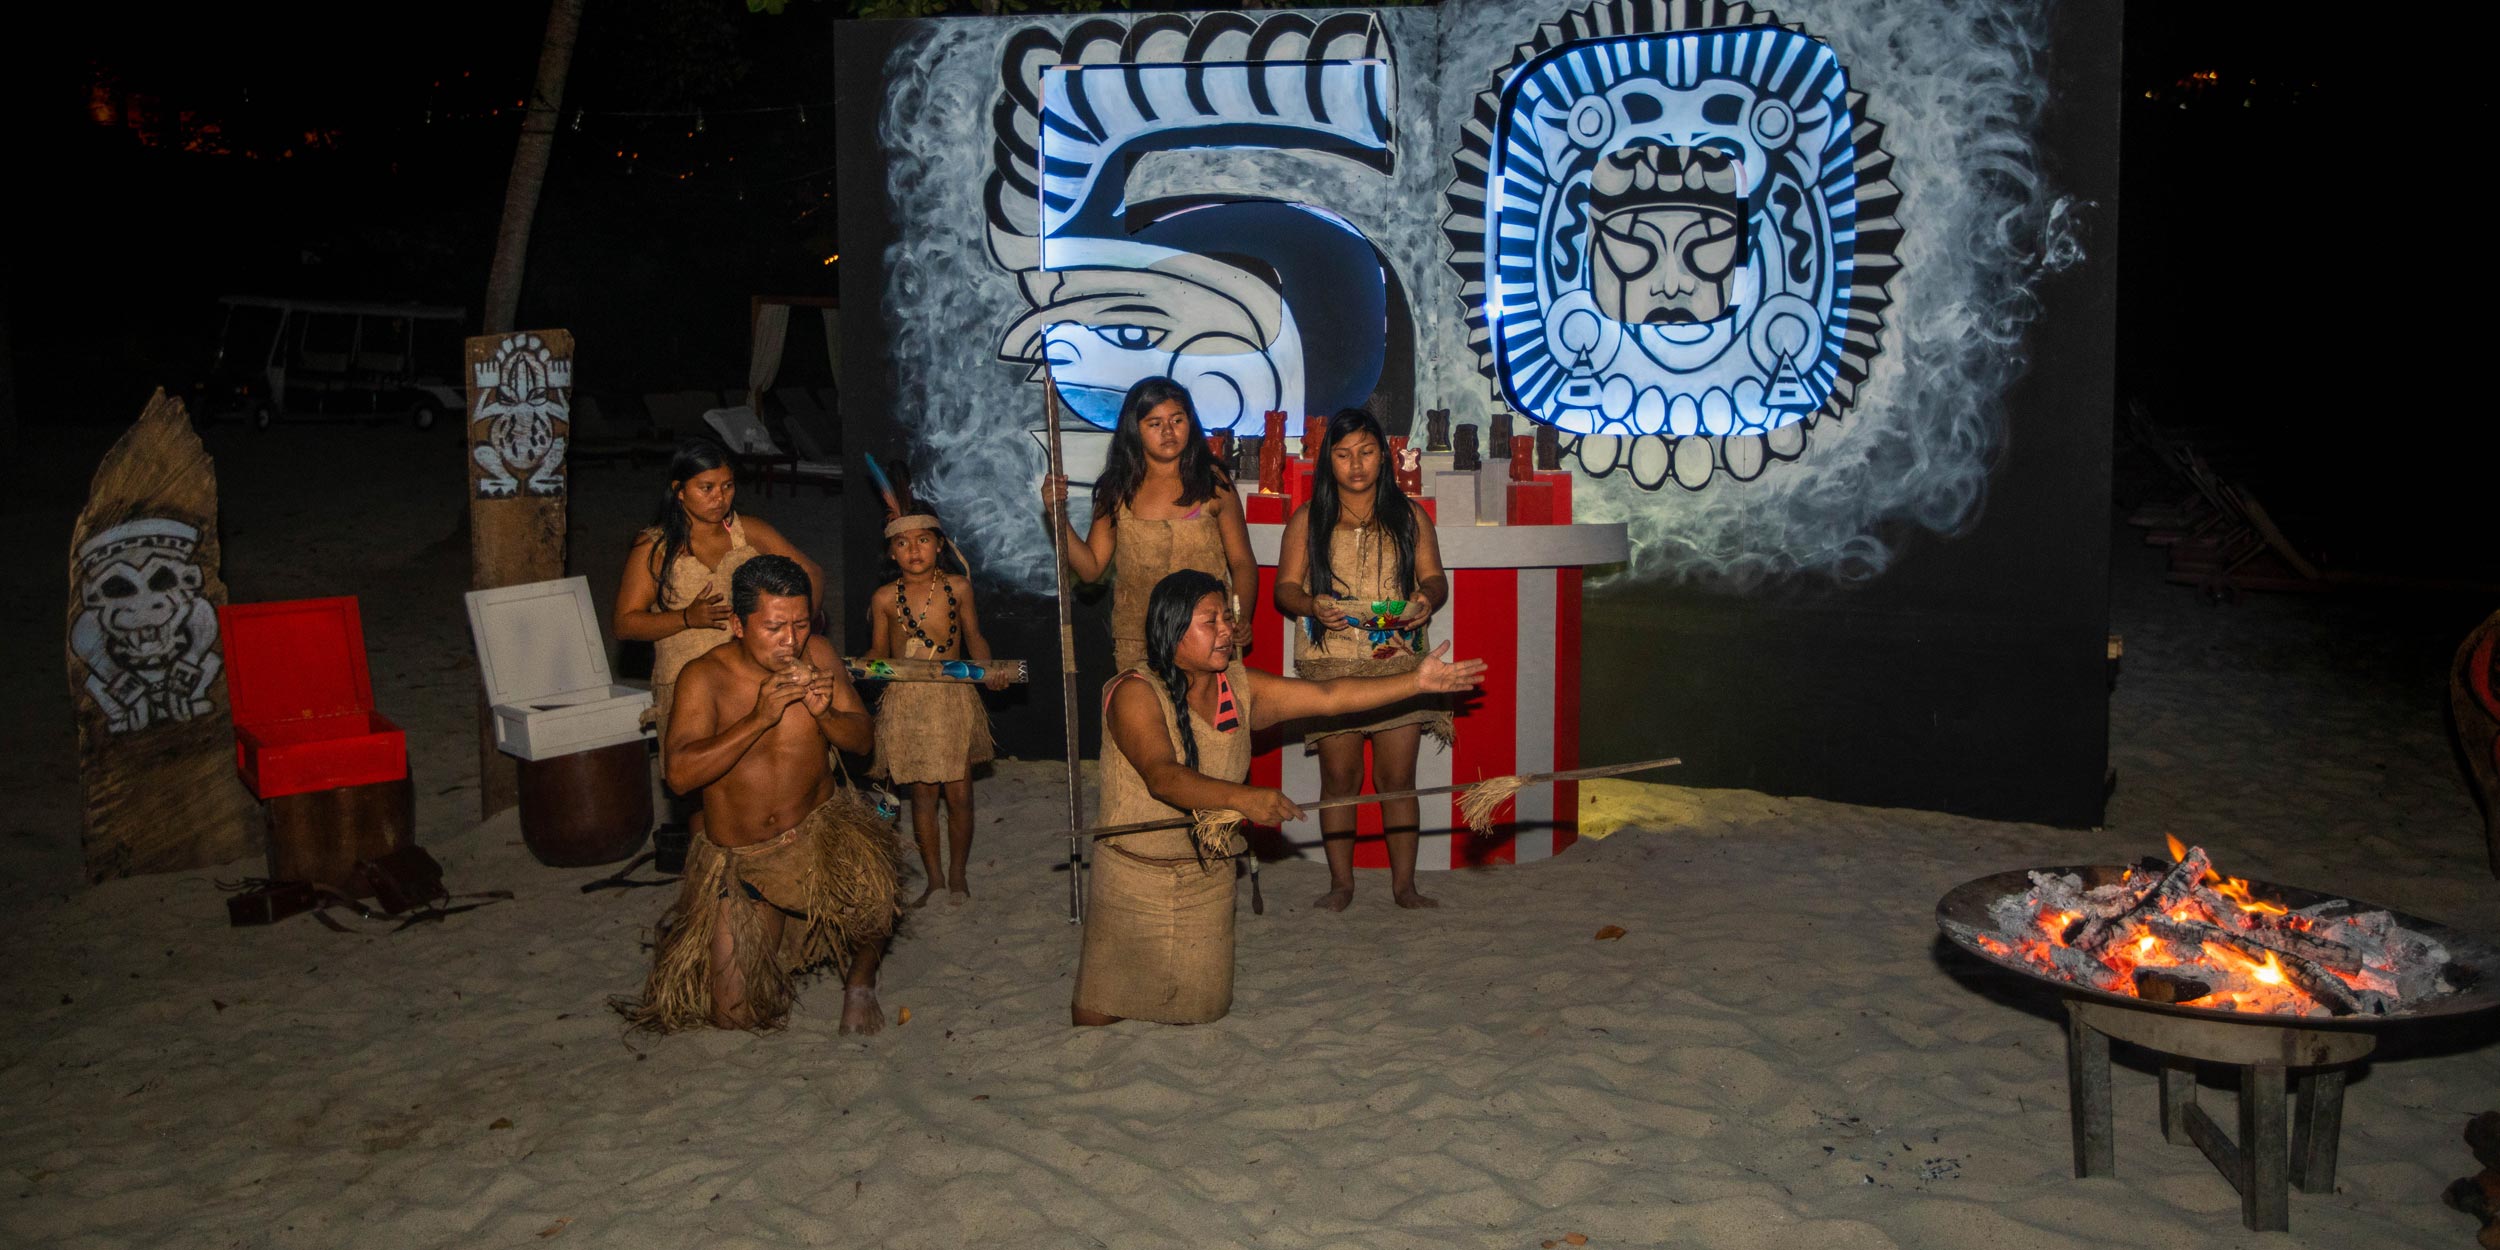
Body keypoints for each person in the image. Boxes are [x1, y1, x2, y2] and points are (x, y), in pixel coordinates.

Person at [1073, 570, 1486, 1027]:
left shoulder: (1238, 686)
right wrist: (1246, 799)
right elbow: (1163, 778)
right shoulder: (1134, 690)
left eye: (1226, 618)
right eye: (1210, 621)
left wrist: (1415, 683)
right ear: (1171, 626)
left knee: (1200, 1013)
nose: (1228, 629)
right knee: (1099, 1018)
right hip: (1134, 875)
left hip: (1204, 879)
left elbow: (1330, 696)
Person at [620, 555, 897, 1035]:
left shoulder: (820, 655)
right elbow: (679, 777)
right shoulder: (703, 677)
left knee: (876, 893)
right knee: (735, 1017)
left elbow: (863, 740)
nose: (790, 642)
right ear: (736, 624)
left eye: (800, 624)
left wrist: (826, 714)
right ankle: (762, 924)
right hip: (744, 857)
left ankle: (860, 981)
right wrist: (758, 718)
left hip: (818, 836)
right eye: (773, 627)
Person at [1274, 407, 1454, 912]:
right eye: (1343, 453)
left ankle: (1405, 886)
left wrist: (1425, 599)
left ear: (1385, 457)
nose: (1356, 465)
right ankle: (1341, 884)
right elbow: (1284, 588)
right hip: (1332, 667)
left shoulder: (1410, 515)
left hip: (1398, 665)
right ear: (1328, 460)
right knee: (1340, 780)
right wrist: (1310, 605)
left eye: (1367, 452)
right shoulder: (1308, 519)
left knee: (1397, 781)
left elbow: (1436, 577)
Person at [611, 439, 825, 816]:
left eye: (727, 486)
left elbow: (811, 572)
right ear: (679, 491)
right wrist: (684, 619)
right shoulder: (655, 546)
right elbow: (625, 624)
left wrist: (801, 634)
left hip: (745, 677)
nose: (720, 497)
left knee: (752, 781)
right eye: (706, 488)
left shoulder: (748, 532)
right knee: (699, 795)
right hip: (684, 680)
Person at [1040, 376, 1258, 670]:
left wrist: (1239, 615)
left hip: (1209, 638)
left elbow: (1242, 562)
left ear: (1190, 423)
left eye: (1177, 420)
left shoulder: (1213, 481)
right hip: (1139, 643)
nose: (1168, 431)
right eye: (1155, 424)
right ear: (1135, 430)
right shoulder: (1117, 490)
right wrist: (1057, 515)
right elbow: (1090, 569)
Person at [864, 510, 1012, 907]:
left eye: (923, 540)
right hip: (907, 702)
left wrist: (988, 671)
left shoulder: (958, 587)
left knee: (960, 794)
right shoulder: (883, 598)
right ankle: (933, 879)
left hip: (953, 700)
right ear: (891, 553)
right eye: (902, 543)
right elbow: (878, 652)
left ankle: (958, 874)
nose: (914, 549)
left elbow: (975, 637)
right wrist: (865, 667)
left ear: (940, 545)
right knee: (923, 796)